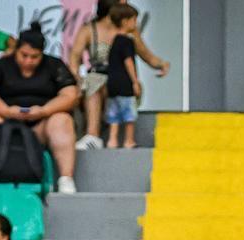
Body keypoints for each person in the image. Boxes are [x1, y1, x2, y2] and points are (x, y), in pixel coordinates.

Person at [0, 22, 80, 193]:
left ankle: (65, 179)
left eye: (34, 57)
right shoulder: (1, 66)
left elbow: (70, 94)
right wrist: (6, 111)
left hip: (41, 125)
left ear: (42, 54)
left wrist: (44, 110)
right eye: (24, 55)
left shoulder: (54, 65)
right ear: (16, 50)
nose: (28, 61)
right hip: (7, 125)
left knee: (62, 120)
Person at [68, 0, 170, 151]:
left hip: (121, 80)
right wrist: (77, 79)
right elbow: (74, 58)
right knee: (93, 83)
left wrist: (161, 64)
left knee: (109, 86)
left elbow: (144, 53)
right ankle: (92, 136)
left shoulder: (128, 30)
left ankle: (125, 138)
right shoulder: (90, 29)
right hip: (97, 78)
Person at [105, 3, 143, 149]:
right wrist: (135, 81)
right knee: (129, 114)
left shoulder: (114, 41)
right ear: (125, 21)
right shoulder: (127, 41)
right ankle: (129, 140)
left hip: (112, 84)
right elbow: (128, 62)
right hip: (125, 83)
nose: (136, 23)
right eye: (134, 20)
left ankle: (112, 141)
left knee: (113, 114)